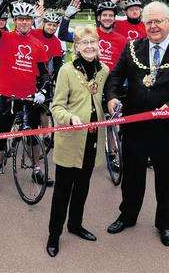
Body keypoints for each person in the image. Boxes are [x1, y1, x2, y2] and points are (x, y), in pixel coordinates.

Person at [105, 1, 169, 247]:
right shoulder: (132, 48)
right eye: (149, 21)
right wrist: (113, 97)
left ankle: (167, 224)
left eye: (158, 21)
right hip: (135, 125)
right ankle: (127, 215)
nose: (153, 26)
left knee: (167, 178)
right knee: (132, 175)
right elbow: (115, 76)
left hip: (167, 128)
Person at [0, 0, 53, 197]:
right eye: (20, 19)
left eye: (28, 19)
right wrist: (6, 1)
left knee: (32, 137)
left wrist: (42, 91)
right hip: (7, 96)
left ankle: (36, 169)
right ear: (15, 20)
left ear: (32, 21)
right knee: (0, 139)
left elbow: (44, 75)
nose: (24, 22)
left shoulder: (38, 44)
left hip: (29, 97)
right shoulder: (4, 38)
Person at [46, 25, 109, 257]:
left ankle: (75, 225)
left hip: (92, 138)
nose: (89, 46)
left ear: (98, 45)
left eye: (93, 42)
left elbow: (103, 98)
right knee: (63, 189)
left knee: (83, 186)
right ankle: (54, 234)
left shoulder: (104, 70)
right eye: (84, 43)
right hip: (70, 139)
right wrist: (69, 117)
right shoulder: (66, 70)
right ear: (77, 47)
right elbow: (57, 106)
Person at [59, 0, 127, 71]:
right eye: (104, 15)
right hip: (90, 77)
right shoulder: (88, 33)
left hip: (113, 79)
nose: (107, 18)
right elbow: (63, 35)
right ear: (98, 18)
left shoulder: (122, 40)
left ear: (114, 19)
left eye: (111, 16)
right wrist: (66, 17)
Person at [30, 12, 63, 80]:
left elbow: (57, 62)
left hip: (42, 72)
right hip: (27, 68)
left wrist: (59, 78)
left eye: (54, 25)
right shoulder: (34, 33)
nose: (51, 28)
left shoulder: (56, 42)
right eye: (49, 24)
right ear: (44, 23)